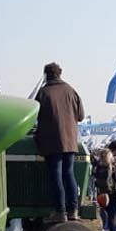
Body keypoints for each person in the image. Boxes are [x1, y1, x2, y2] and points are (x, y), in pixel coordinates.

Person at [34, 63, 86, 222]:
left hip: (51, 142)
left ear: (46, 75)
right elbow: (81, 116)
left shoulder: (43, 93)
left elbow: (35, 117)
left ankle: (60, 211)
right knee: (68, 173)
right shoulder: (71, 90)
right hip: (70, 141)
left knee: (56, 175)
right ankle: (73, 210)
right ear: (60, 73)